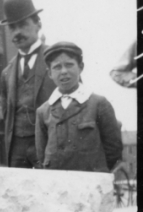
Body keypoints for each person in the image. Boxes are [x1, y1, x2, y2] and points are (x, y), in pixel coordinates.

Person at [35, 42, 123, 172]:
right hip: (56, 182)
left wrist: (98, 172)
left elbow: (113, 149)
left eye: (69, 65)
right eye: (57, 67)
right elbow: (41, 154)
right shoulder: (43, 111)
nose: (64, 71)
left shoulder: (98, 103)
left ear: (81, 67)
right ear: (49, 74)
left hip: (90, 182)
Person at [0, 0, 56, 168]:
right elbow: (6, 112)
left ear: (38, 25)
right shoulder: (7, 72)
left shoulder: (56, 61)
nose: (17, 32)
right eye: (12, 27)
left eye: (23, 25)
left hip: (47, 143)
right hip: (17, 146)